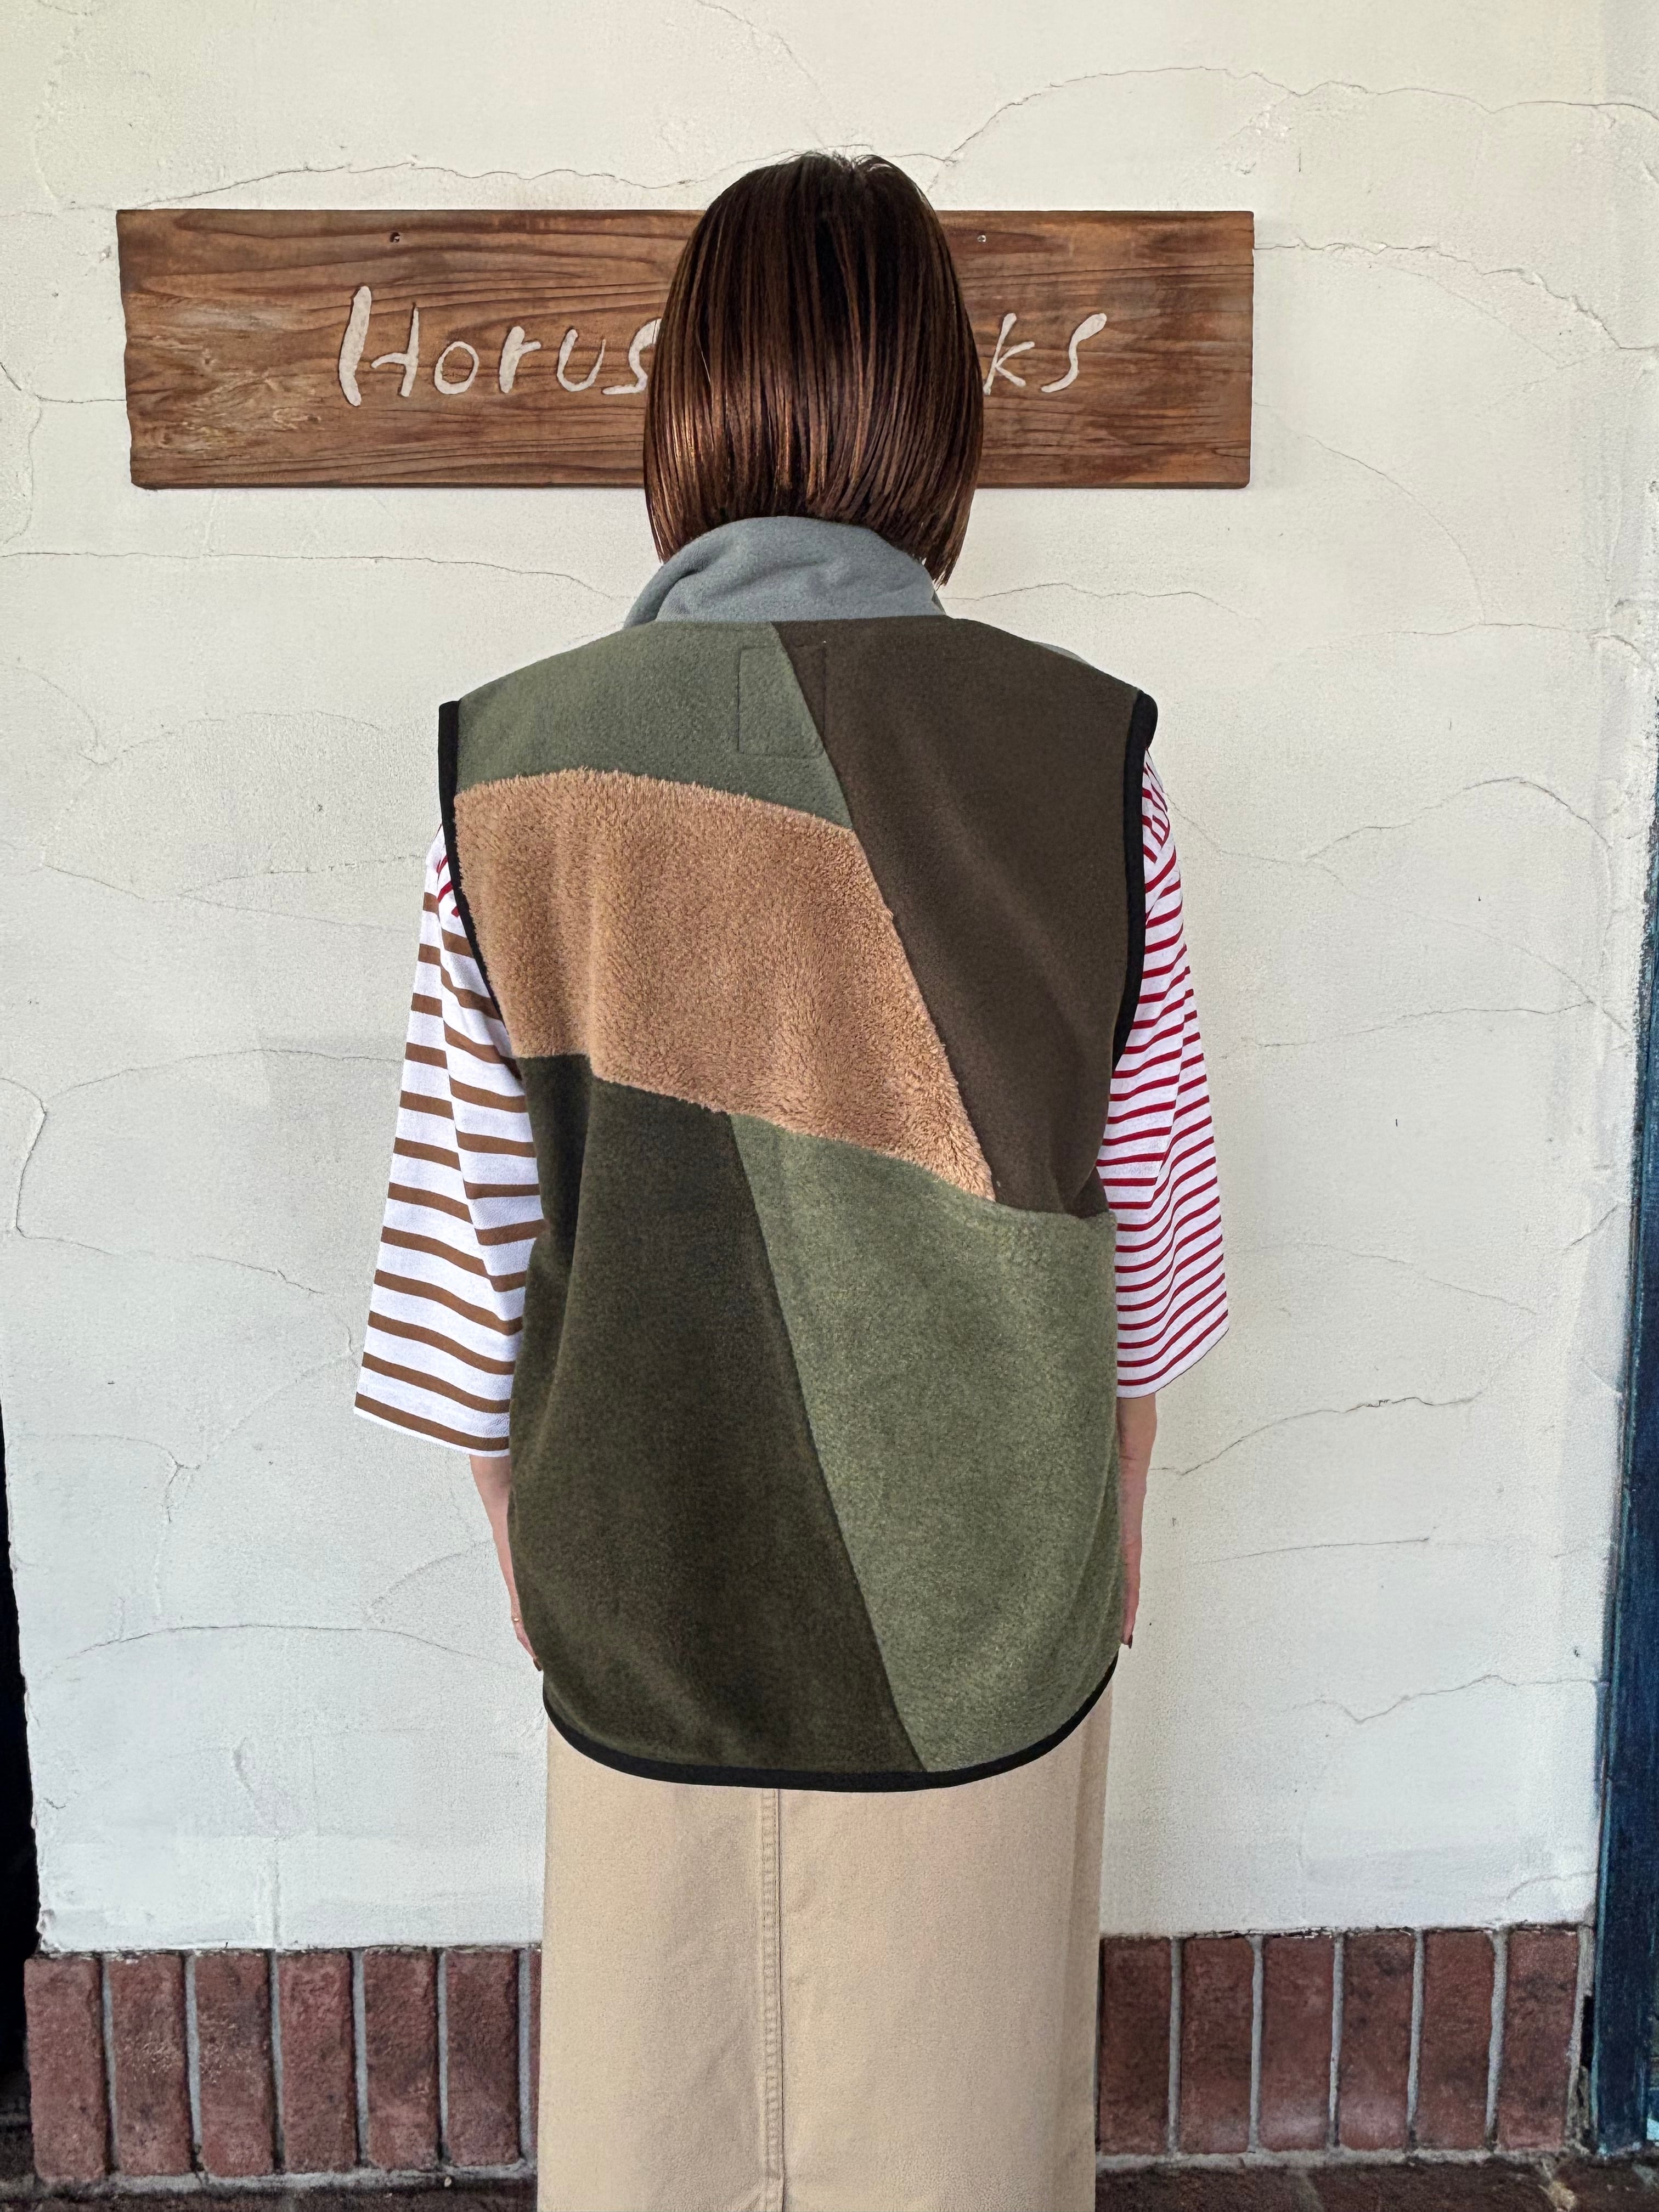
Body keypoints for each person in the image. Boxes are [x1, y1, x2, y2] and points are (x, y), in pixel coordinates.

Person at [356, 151, 1227, 2212]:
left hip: (648, 1574)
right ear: (943, 420)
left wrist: (532, 1546)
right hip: (979, 1602)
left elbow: (468, 1262)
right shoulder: (1084, 757)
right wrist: (1111, 1517)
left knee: (662, 2125)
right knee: (957, 2128)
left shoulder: (515, 768)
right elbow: (1156, 1244)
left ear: (685, 410)